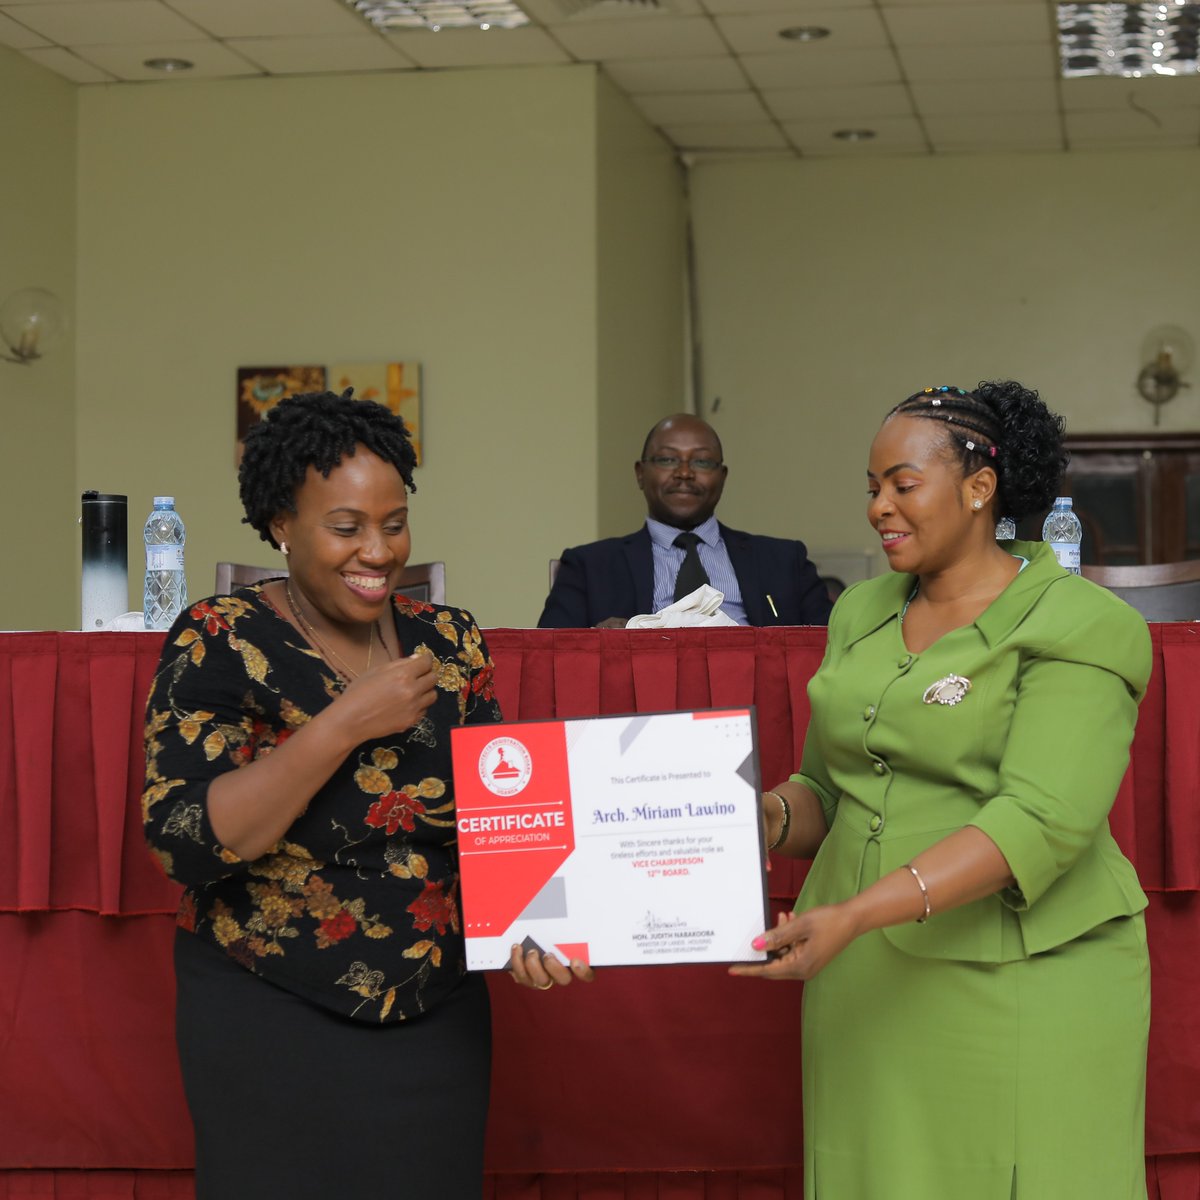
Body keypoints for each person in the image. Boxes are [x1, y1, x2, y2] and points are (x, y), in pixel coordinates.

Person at [143, 390, 590, 1200]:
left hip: (434, 1014)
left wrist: (537, 925)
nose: (377, 551)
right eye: (346, 527)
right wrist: (342, 723)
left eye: (395, 523)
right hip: (266, 1006)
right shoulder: (219, 637)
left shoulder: (452, 642)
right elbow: (186, 842)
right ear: (281, 522)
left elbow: (497, 819)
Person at [732, 381, 1152, 1198]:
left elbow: (1040, 821)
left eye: (901, 484)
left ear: (978, 487)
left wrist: (855, 913)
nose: (878, 507)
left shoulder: (1082, 623)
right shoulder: (859, 612)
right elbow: (829, 787)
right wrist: (750, 817)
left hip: (1025, 979)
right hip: (864, 980)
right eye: (871, 487)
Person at [537, 413, 832, 628]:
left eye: (701, 461)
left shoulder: (784, 561)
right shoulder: (588, 566)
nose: (684, 473)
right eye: (667, 460)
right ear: (640, 473)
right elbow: (547, 662)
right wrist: (596, 641)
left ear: (722, 476)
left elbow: (829, 650)